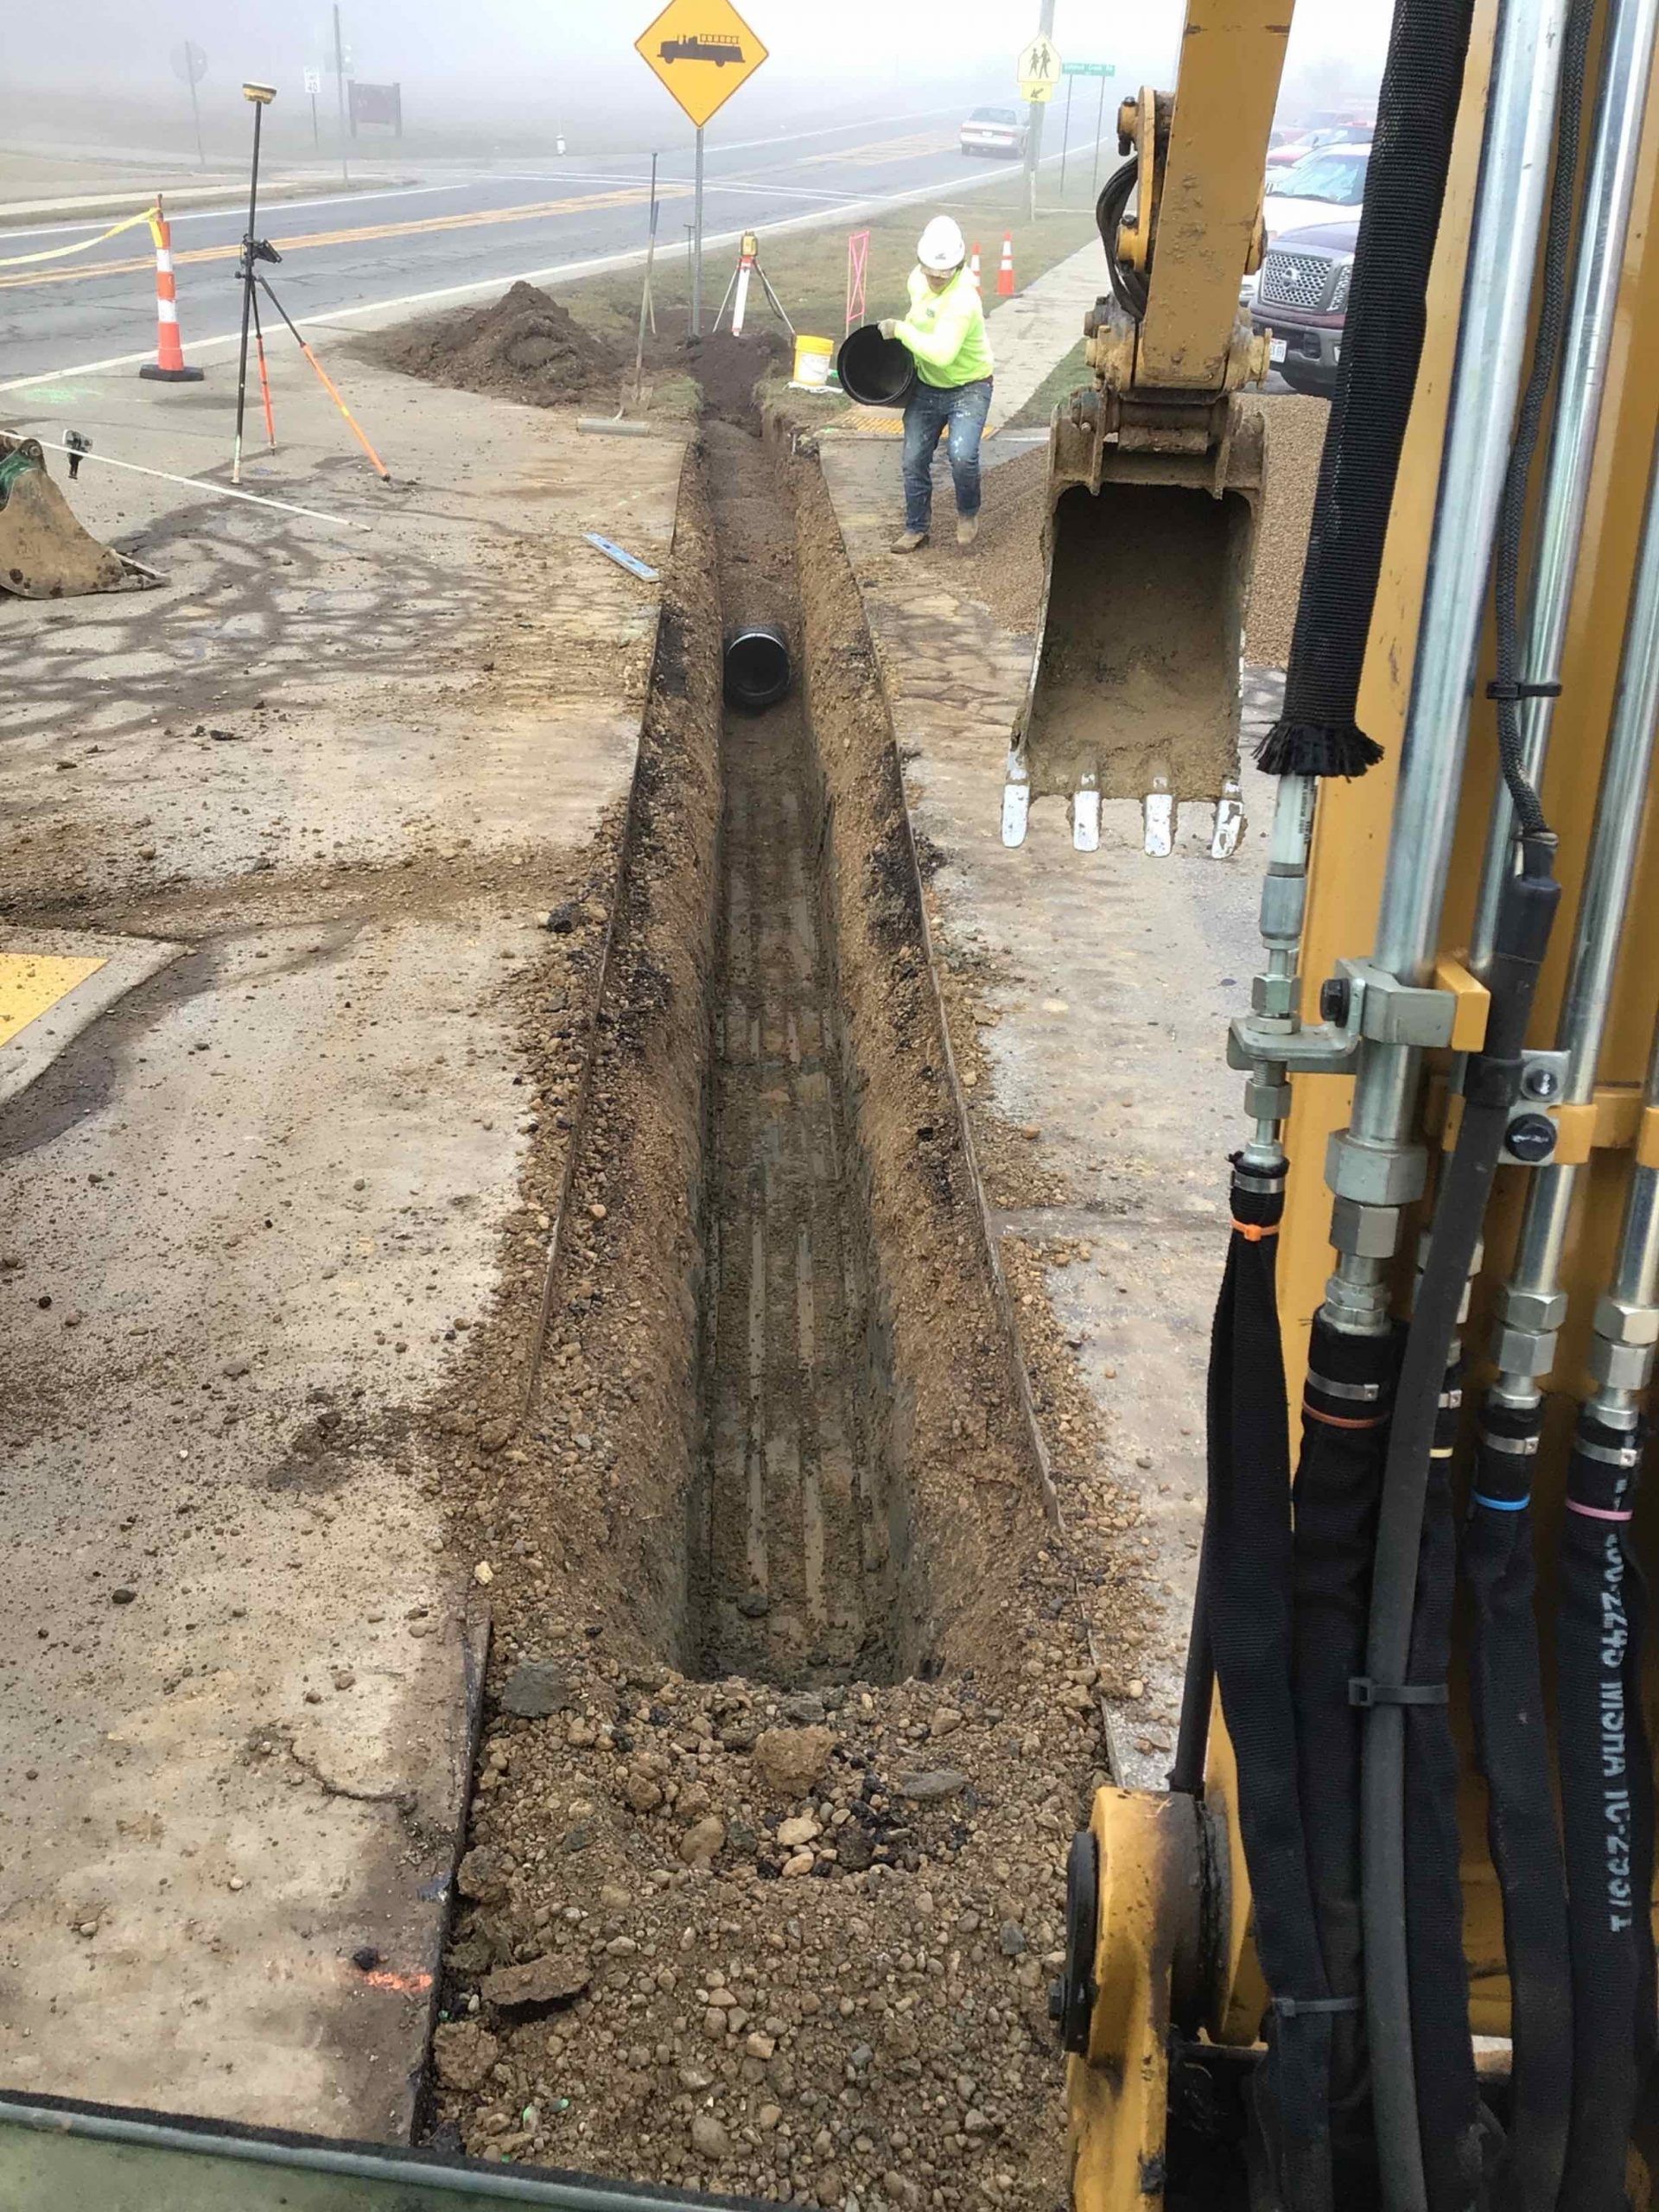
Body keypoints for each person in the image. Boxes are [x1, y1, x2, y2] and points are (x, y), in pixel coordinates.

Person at [879, 214, 994, 553]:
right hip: (928, 387)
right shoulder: (918, 279)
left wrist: (901, 330)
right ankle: (916, 528)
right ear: (921, 264)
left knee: (962, 454)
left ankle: (968, 512)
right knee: (913, 457)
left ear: (957, 267)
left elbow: (942, 354)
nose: (936, 280)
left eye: (943, 274)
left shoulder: (964, 302)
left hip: (970, 387)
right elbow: (922, 316)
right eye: (931, 272)